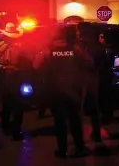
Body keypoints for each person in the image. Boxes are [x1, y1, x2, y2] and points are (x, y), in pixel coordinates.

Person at [34, 25, 95, 158]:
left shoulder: (48, 51)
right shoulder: (75, 49)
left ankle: (62, 150)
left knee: (59, 121)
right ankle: (80, 147)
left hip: (55, 92)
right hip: (73, 91)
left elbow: (36, 66)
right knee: (75, 120)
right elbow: (90, 63)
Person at [0, 22, 31, 141]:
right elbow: (29, 61)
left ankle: (6, 127)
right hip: (17, 75)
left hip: (4, 75)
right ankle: (16, 130)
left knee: (6, 103)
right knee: (17, 104)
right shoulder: (23, 46)